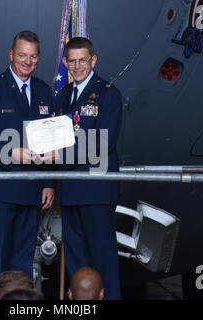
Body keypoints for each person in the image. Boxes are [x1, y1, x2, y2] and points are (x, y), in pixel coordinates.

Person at [0, 30, 56, 300]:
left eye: (32, 57)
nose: (27, 62)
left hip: (32, 192)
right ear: (11, 55)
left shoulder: (44, 91)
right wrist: (11, 152)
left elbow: (50, 139)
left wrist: (49, 183)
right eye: (22, 55)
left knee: (23, 267)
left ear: (38, 58)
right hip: (0, 190)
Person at [54, 37, 122, 299]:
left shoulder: (108, 94)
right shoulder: (61, 97)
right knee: (76, 262)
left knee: (102, 261)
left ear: (93, 60)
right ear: (65, 63)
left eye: (83, 60)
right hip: (69, 191)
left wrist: (57, 155)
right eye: (72, 60)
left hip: (96, 191)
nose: (77, 65)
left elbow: (103, 142)